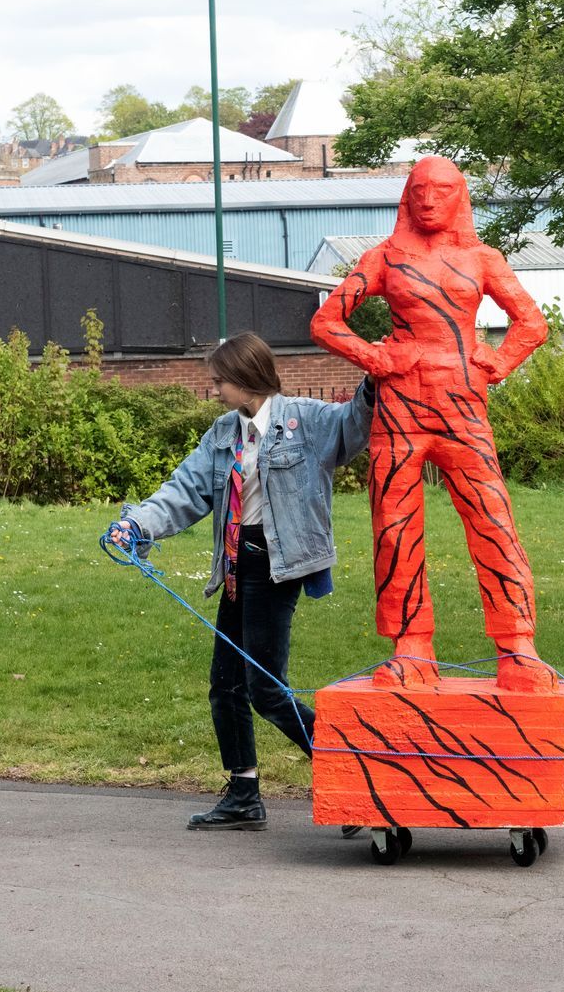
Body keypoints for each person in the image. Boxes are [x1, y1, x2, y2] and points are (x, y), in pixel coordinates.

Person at [308, 155, 555, 693]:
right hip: (398, 411)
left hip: (464, 410)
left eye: (441, 189)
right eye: (419, 188)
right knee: (394, 527)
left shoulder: (482, 259)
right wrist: (376, 359)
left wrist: (501, 361)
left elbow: (532, 322)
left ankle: (517, 646)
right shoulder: (385, 259)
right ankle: (411, 647)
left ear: (459, 197)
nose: (428, 198)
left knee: (492, 518)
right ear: (406, 196)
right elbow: (326, 322)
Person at [108, 332, 372, 831]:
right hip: (236, 567)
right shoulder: (223, 433)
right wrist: (137, 524)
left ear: (247, 377)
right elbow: (183, 490)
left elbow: (353, 427)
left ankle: (354, 776)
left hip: (277, 568)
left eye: (220, 380)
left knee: (266, 689)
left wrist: (373, 383)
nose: (214, 389)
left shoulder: (306, 421)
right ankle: (244, 796)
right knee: (225, 686)